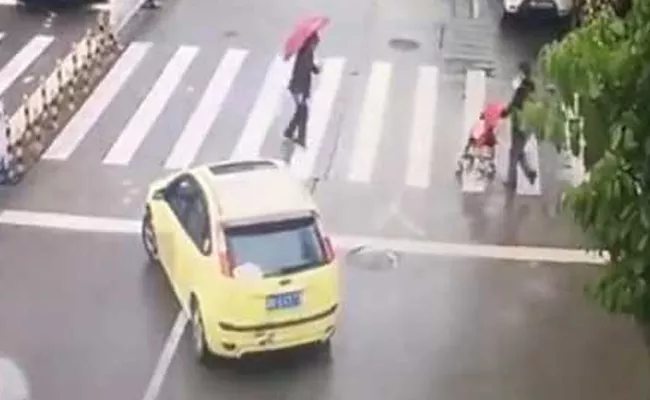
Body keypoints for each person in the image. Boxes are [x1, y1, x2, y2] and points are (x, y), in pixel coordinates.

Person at [502, 61, 537, 189]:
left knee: (513, 153)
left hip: (519, 125)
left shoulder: (521, 89)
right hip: (529, 125)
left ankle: (512, 181)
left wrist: (504, 113)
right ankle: (529, 173)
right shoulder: (533, 88)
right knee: (518, 151)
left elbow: (513, 105)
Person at [283, 33, 321, 148]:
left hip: (299, 88)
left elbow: (310, 67)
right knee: (303, 112)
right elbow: (302, 72)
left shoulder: (307, 52)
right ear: (311, 43)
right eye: (315, 43)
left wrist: (316, 69)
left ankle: (290, 131)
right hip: (299, 89)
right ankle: (300, 138)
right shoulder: (306, 54)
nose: (316, 46)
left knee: (301, 111)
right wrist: (302, 93)